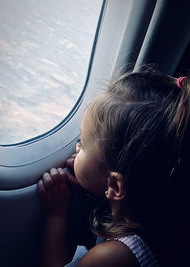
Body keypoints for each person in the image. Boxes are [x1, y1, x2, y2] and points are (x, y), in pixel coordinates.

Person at [38, 70, 190, 267]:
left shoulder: (111, 258)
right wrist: (93, 166)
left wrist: (55, 214)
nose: (76, 148)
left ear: (116, 187)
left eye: (83, 144)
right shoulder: (159, 214)